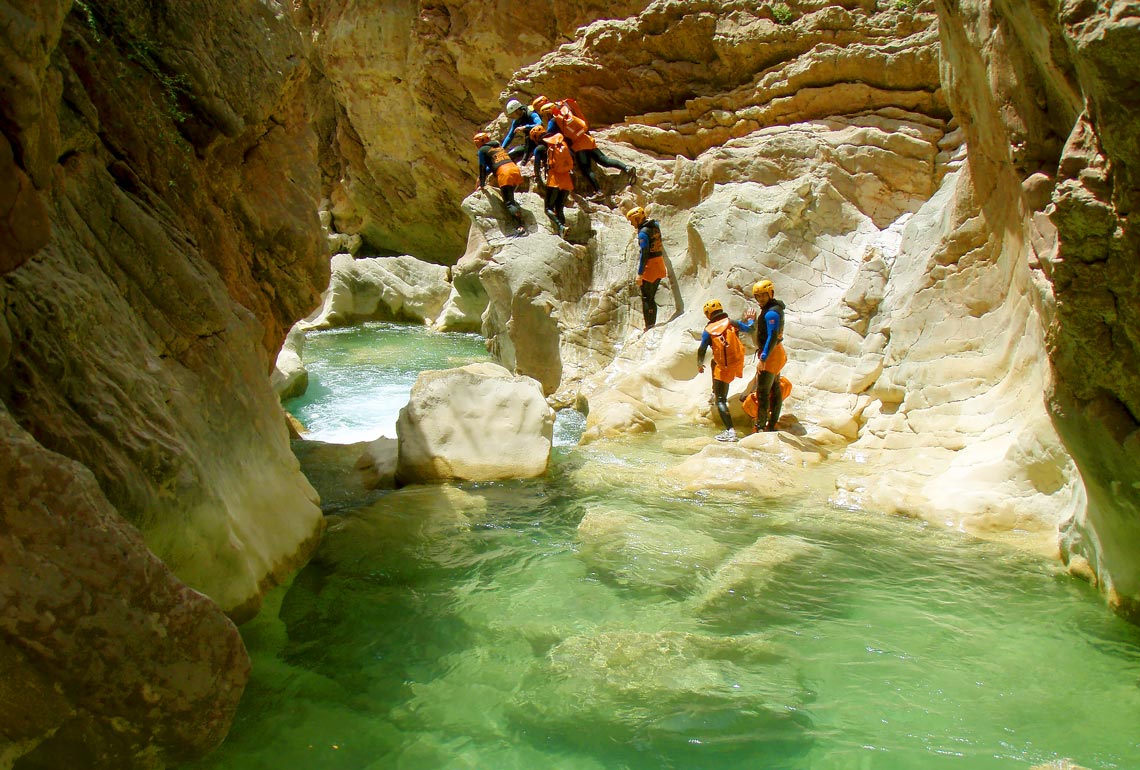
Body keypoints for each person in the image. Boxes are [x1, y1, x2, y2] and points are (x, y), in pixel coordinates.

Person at [539, 100, 637, 197]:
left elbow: (550, 134)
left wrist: (541, 137)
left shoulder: (554, 121)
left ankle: (598, 191)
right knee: (604, 160)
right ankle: (627, 168)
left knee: (586, 169)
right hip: (587, 139)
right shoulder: (566, 112)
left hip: (578, 146)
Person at [697, 299, 756, 442]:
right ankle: (713, 391)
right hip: (736, 363)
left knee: (721, 400)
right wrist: (751, 320)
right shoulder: (731, 322)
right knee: (713, 363)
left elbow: (702, 349)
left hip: (723, 368)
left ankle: (730, 431)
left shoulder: (708, 331)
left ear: (708, 315)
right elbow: (749, 329)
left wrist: (699, 363)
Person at [746, 279, 787, 432]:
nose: (760, 299)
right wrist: (750, 322)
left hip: (772, 355)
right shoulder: (772, 309)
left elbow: (772, 336)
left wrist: (763, 358)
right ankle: (771, 424)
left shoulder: (771, 313)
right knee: (775, 388)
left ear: (771, 294)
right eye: (758, 296)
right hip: (775, 353)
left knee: (763, 393)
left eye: (763, 295)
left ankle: (761, 427)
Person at [474, 131, 526, 236]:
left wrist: (482, 184)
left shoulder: (482, 151)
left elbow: (482, 167)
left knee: (508, 203)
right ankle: (518, 214)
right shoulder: (497, 146)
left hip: (504, 173)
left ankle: (520, 227)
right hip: (514, 169)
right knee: (510, 197)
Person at [626, 206, 666, 329]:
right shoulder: (655, 225)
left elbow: (645, 254)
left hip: (651, 266)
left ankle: (649, 326)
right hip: (660, 262)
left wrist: (640, 273)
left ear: (637, 219)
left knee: (646, 297)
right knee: (651, 296)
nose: (632, 224)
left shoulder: (643, 233)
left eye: (632, 221)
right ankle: (651, 323)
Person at [531, 125, 574, 236]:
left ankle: (560, 226)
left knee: (548, 208)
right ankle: (563, 232)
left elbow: (536, 167)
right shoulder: (560, 143)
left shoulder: (540, 148)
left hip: (554, 180)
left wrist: (539, 180)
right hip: (566, 179)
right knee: (559, 208)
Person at [501, 98, 542, 164]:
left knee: (529, 138)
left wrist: (525, 127)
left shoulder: (530, 113)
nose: (512, 117)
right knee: (511, 154)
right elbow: (510, 136)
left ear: (517, 111)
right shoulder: (517, 120)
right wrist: (502, 148)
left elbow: (539, 123)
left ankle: (524, 162)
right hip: (528, 144)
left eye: (512, 114)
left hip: (539, 140)